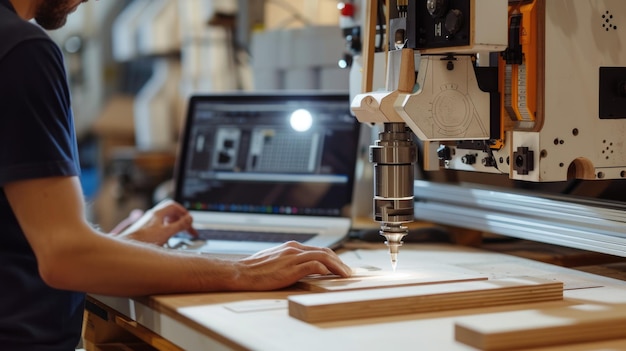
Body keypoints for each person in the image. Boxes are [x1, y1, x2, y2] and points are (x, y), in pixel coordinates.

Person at [0, 1, 352, 350]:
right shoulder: (23, 49)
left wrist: (122, 247)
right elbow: (65, 257)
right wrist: (243, 271)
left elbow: (42, 244)